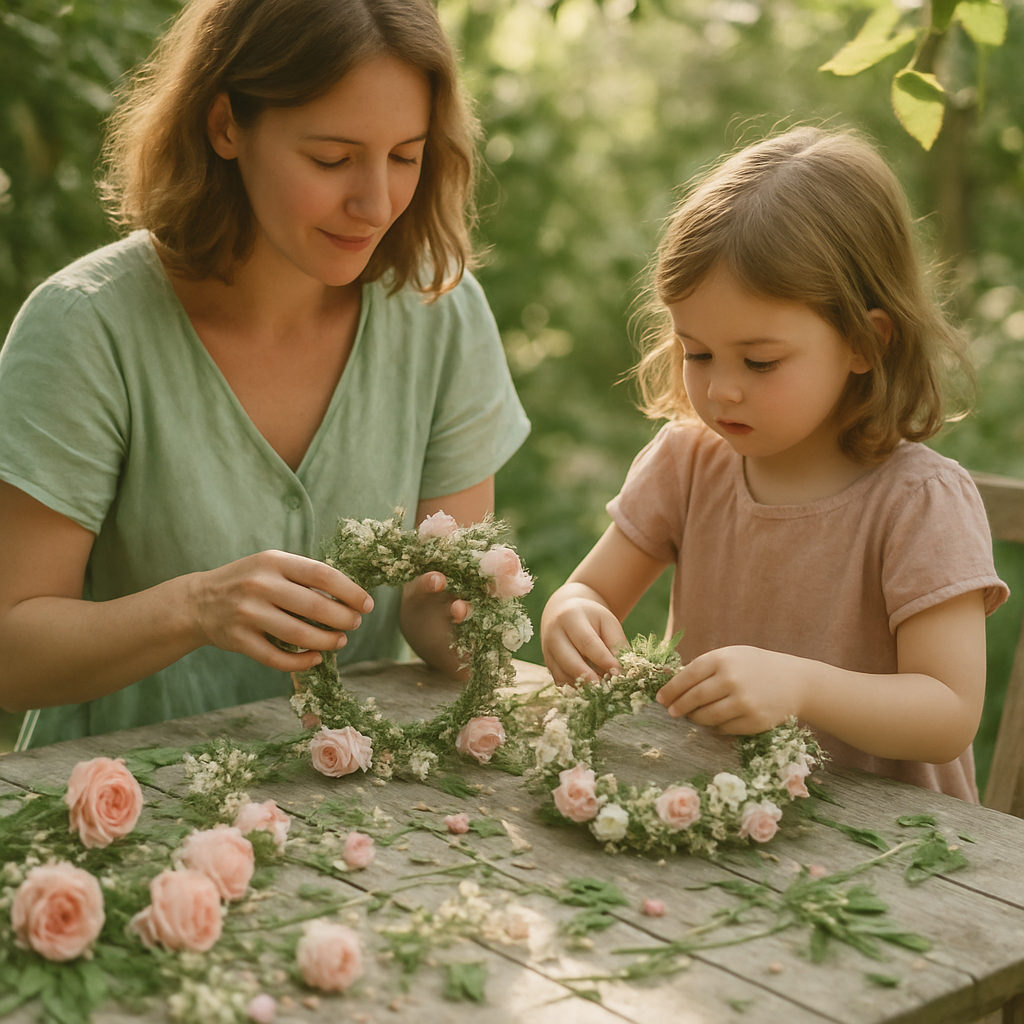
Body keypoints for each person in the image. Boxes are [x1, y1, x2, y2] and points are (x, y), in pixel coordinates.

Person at [0, 0, 530, 750]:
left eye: (405, 156)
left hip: (354, 805)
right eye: (332, 159)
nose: (375, 203)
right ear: (226, 126)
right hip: (111, 801)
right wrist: (197, 607)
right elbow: (10, 655)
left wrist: (473, 621)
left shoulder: (442, 313)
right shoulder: (84, 327)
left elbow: (431, 610)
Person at [541, 126, 1008, 801]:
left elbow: (947, 714)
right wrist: (569, 613)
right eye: (698, 353)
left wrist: (799, 687)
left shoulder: (921, 501)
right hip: (718, 817)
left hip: (889, 845)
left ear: (866, 342)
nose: (721, 389)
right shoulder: (688, 462)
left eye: (759, 361)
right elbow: (589, 591)